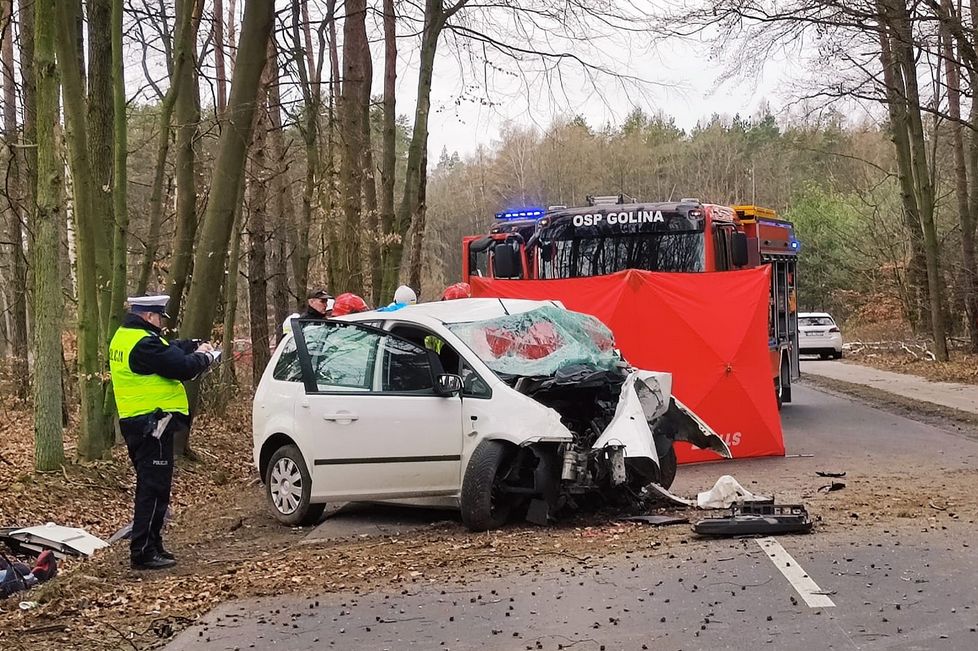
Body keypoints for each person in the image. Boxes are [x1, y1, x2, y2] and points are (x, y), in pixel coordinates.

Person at [108, 295, 217, 571]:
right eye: (159, 318)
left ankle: (151, 544)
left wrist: (191, 345)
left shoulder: (129, 337)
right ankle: (143, 550)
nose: (161, 323)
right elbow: (180, 366)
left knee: (154, 486)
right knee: (154, 488)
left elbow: (169, 349)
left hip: (142, 423)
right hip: (151, 424)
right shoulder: (144, 343)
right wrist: (204, 357)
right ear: (148, 316)